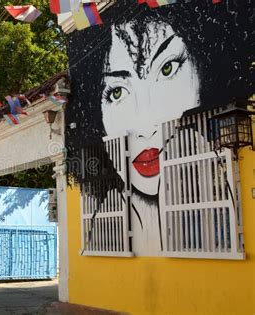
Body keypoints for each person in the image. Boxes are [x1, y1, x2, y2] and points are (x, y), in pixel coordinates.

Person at [65, 0, 253, 255]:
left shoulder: (219, 182)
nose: (145, 126)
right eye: (117, 92)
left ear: (203, 66)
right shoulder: (107, 219)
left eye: (167, 69)